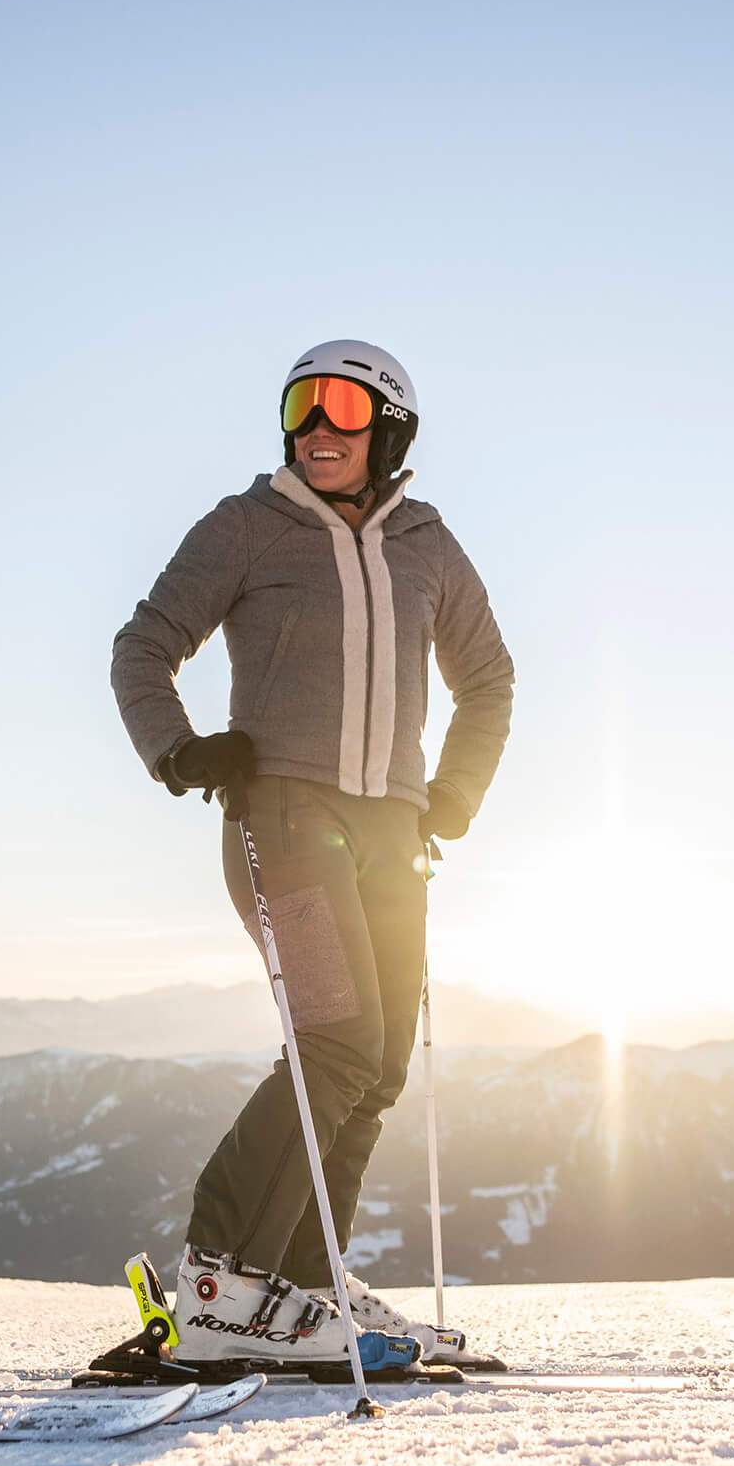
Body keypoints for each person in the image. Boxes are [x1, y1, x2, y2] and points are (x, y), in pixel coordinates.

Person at [111, 341, 514, 1365]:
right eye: (299, 406)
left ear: (390, 427)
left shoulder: (425, 540)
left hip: (394, 831)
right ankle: (219, 1281)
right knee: (334, 1040)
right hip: (282, 815)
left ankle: (298, 1283)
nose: (315, 427)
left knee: (373, 1066)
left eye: (340, 406)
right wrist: (180, 749)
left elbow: (490, 677)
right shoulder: (246, 525)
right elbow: (143, 645)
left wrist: (454, 794)